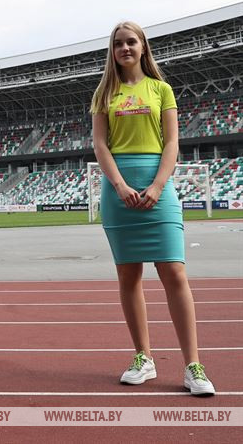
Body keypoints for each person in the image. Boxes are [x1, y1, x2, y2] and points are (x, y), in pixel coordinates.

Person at [91, 22, 215, 396]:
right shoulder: (103, 93)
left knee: (174, 272)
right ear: (112, 51)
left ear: (143, 47)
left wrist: (159, 185)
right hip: (119, 192)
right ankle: (143, 358)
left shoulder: (162, 89)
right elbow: (100, 145)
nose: (125, 48)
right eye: (118, 44)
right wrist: (120, 186)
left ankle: (193, 365)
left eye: (131, 42)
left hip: (159, 187)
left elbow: (173, 141)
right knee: (129, 277)